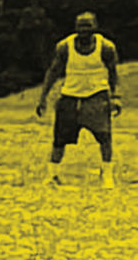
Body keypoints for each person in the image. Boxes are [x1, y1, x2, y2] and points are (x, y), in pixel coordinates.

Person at [36, 12, 122, 188]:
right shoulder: (64, 47)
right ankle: (52, 175)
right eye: (80, 26)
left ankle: (107, 175)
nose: (84, 30)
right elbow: (53, 71)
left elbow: (114, 73)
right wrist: (43, 97)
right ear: (75, 28)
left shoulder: (106, 47)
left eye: (88, 26)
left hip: (97, 95)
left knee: (104, 136)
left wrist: (116, 97)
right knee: (59, 138)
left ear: (95, 27)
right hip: (70, 95)